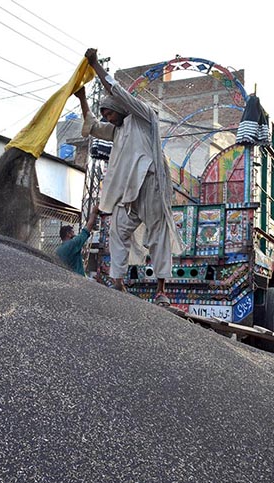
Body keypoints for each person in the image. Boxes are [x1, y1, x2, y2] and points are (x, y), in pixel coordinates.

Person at [75, 48, 184, 303]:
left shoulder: (142, 117)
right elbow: (92, 127)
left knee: (158, 235)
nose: (107, 118)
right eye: (104, 115)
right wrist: (82, 98)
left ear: (121, 109)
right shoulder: (117, 130)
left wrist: (95, 66)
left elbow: (117, 91)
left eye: (109, 113)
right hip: (128, 193)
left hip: (150, 185)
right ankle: (118, 283)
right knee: (117, 230)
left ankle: (161, 291)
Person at [55, 204, 99, 276]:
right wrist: (94, 213)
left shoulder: (58, 250)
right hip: (77, 279)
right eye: (72, 232)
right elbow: (87, 229)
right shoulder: (72, 244)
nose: (74, 234)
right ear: (68, 234)